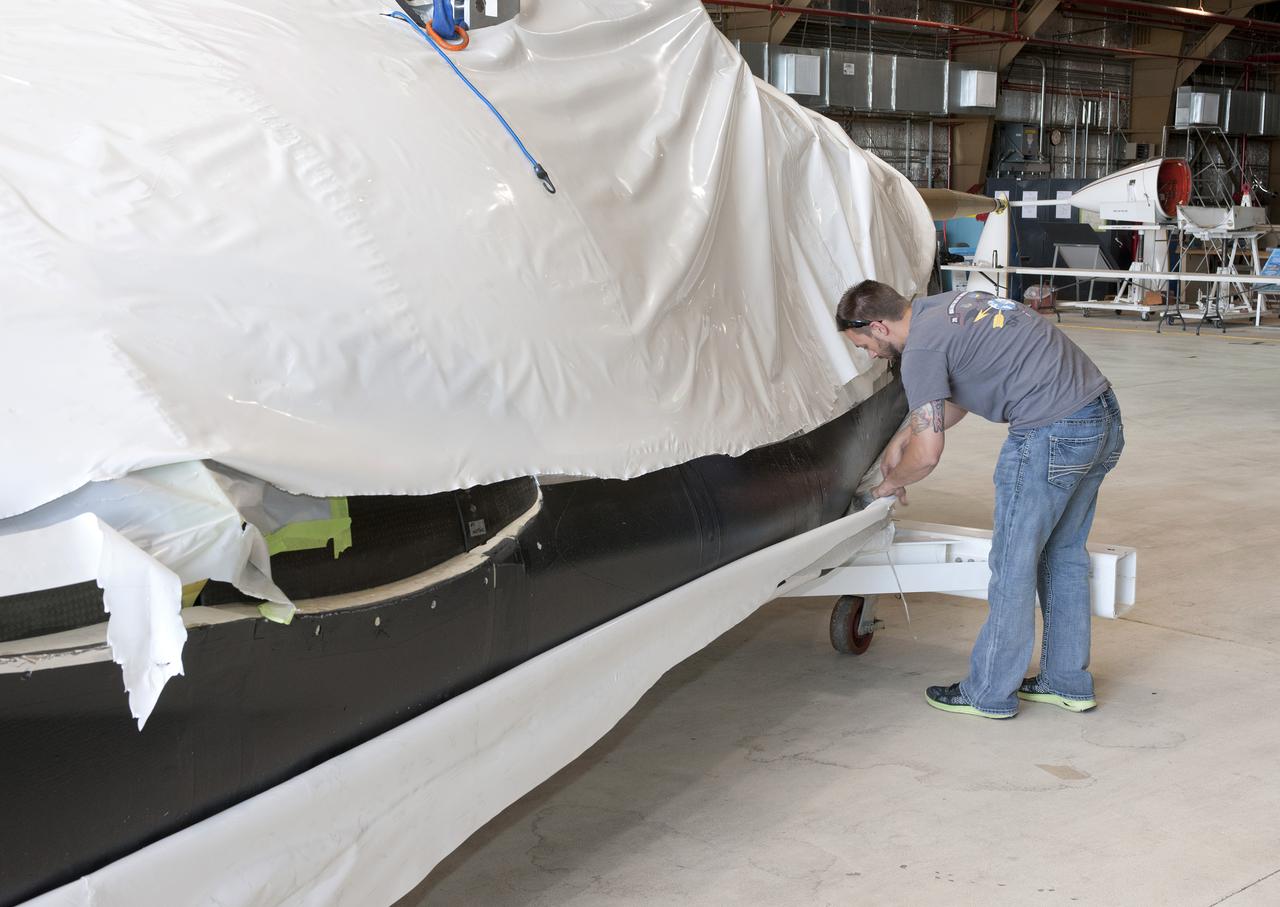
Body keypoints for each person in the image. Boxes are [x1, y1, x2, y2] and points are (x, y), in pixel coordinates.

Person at [835, 280, 1124, 719]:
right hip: (1099, 417)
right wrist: (902, 438)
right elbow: (960, 396)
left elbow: (928, 456)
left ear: (878, 326)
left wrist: (883, 488)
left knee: (1012, 562)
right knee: (1062, 554)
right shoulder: (952, 306)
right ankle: (1066, 682)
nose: (871, 355)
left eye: (865, 345)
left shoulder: (920, 352)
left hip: (1050, 432)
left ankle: (989, 692)